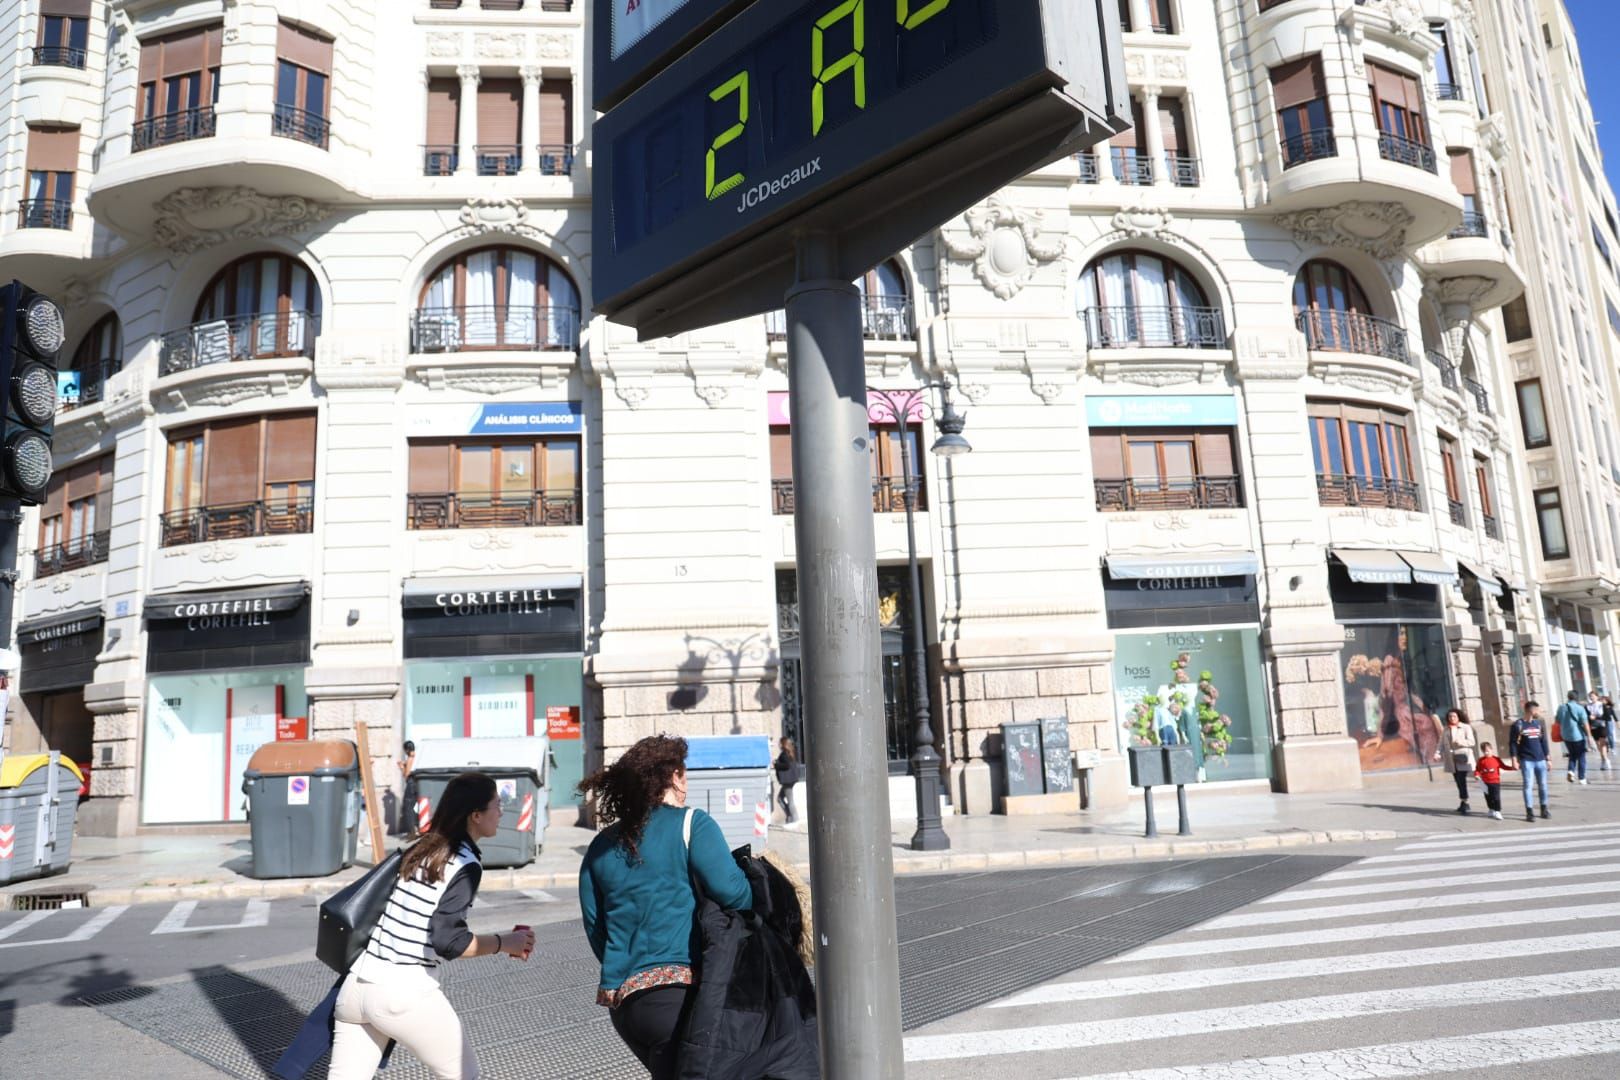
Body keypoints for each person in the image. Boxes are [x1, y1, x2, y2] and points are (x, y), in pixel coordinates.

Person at [329, 771, 534, 1080]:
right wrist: (506, 943)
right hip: (404, 992)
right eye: (496, 805)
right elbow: (449, 942)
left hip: (356, 988)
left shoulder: (420, 847)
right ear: (476, 815)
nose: (501, 811)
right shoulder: (465, 864)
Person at [578, 735, 754, 1080]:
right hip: (679, 1001)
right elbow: (735, 895)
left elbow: (596, 927)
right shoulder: (692, 824)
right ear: (674, 776)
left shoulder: (600, 845)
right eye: (685, 774)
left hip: (626, 1006)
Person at [1510, 700, 1552, 821]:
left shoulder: (1538, 724)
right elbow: (1512, 743)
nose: (1538, 712)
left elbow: (1543, 741)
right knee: (1528, 785)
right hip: (1526, 760)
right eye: (1537, 710)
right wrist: (1514, 759)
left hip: (1540, 759)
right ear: (1531, 710)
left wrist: (1548, 758)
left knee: (1543, 785)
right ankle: (1529, 811)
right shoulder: (1518, 724)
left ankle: (1544, 809)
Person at [1439, 708, 1477, 814]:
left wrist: (1460, 742)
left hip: (1462, 758)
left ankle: (1465, 801)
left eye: (1454, 716)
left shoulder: (1465, 727)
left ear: (1458, 717)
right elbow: (1441, 742)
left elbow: (1472, 742)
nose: (1452, 718)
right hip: (1451, 759)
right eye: (1450, 716)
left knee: (1461, 779)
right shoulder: (1446, 729)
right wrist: (1437, 753)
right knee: (1458, 781)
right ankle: (1463, 801)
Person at [1556, 690, 1591, 785]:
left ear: (1568, 697)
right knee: (1581, 756)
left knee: (1572, 754)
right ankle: (1582, 778)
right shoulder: (1580, 708)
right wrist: (1589, 737)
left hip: (1566, 736)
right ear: (1577, 697)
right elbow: (1585, 723)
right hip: (1578, 736)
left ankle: (1571, 771)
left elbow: (1557, 721)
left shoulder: (1561, 707)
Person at [1473, 743, 1515, 821]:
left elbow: (1504, 766)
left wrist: (1512, 768)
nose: (1486, 753)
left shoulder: (1496, 759)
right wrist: (1476, 775)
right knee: (1488, 797)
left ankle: (1497, 811)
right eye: (1484, 751)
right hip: (1485, 782)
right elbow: (1477, 769)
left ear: (1491, 750)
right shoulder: (1481, 760)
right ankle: (1491, 809)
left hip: (1495, 782)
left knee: (1496, 797)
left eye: (1488, 751)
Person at [774, 737, 800, 825]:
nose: (779, 745)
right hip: (790, 780)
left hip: (787, 781)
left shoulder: (784, 754)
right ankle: (790, 817)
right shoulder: (789, 752)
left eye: (780, 743)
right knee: (780, 798)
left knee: (789, 800)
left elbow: (786, 765)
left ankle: (794, 819)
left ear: (783, 744)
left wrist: (776, 764)